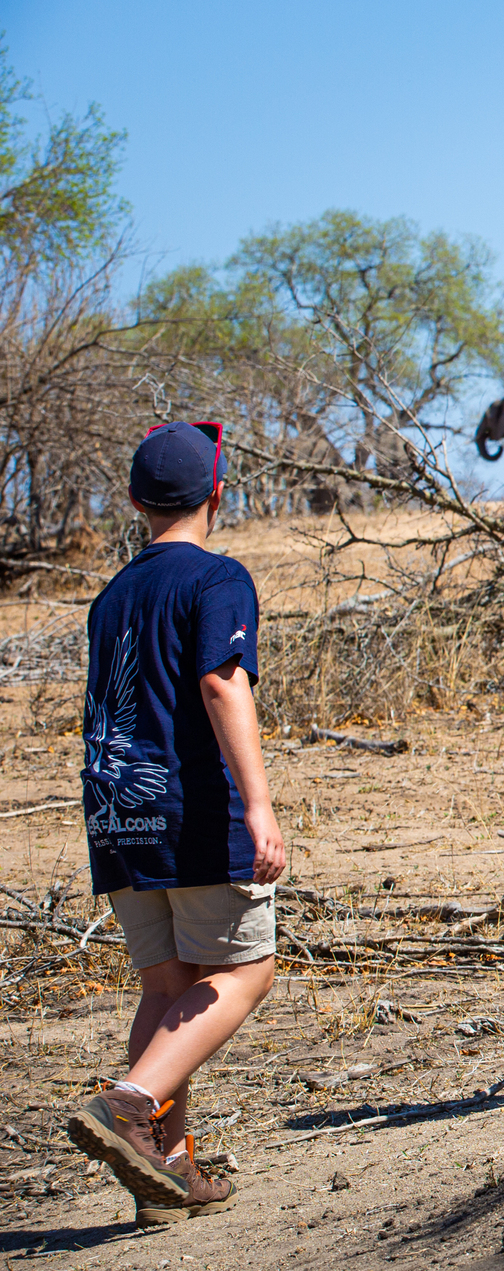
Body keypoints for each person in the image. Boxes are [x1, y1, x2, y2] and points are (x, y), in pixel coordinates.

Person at [67, 421, 286, 1225]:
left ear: (134, 501)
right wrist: (259, 804)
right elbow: (223, 685)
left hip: (117, 815)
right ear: (216, 495)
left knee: (166, 990)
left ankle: (164, 1170)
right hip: (191, 814)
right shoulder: (217, 577)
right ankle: (128, 1105)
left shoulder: (111, 594)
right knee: (246, 972)